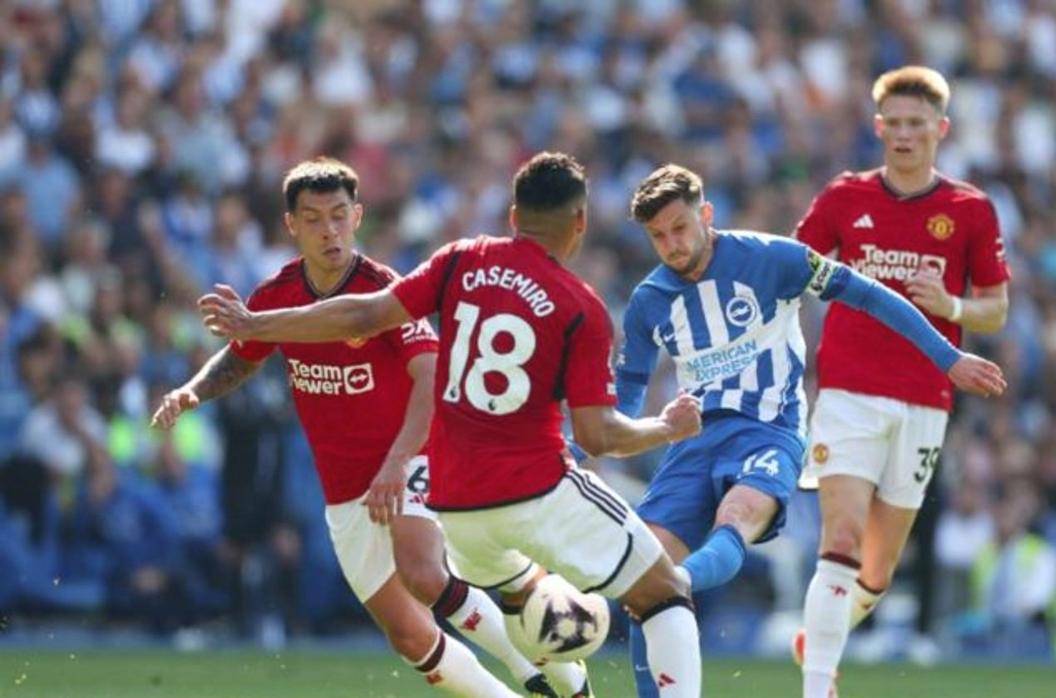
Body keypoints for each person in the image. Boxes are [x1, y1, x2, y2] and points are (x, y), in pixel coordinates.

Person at [197, 152, 707, 697]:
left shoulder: (461, 259)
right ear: (580, 221)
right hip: (532, 486)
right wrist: (665, 428)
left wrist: (256, 324)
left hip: (459, 505)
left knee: (517, 596)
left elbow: (363, 314)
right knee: (665, 591)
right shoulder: (580, 305)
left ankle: (566, 685)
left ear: (514, 216)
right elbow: (597, 437)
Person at [153, 158, 566, 697]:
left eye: (338, 216)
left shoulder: (384, 291)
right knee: (409, 636)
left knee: (423, 572)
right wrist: (193, 391)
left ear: (357, 217)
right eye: (314, 219)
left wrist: (398, 461)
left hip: (413, 457)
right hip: (347, 490)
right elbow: (242, 355)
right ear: (292, 225)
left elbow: (431, 376)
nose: (329, 230)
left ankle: (532, 668)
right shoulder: (277, 295)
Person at [614, 163, 1007, 696]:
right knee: (643, 579)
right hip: (692, 443)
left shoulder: (774, 258)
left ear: (706, 214)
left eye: (679, 228)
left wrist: (947, 357)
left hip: (769, 431)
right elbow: (624, 401)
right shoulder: (648, 301)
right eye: (658, 236)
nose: (671, 245)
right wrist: (615, 439)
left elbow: (868, 294)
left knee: (732, 521)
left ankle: (680, 583)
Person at [793, 66, 1011, 697]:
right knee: (840, 536)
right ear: (878, 127)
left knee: (877, 572)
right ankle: (817, 684)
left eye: (917, 123)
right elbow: (793, 266)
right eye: (894, 123)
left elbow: (996, 308)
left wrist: (952, 305)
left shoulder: (969, 209)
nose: (905, 134)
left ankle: (820, 634)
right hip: (848, 392)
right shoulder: (844, 196)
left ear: (941, 129)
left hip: (925, 399)